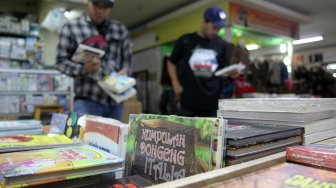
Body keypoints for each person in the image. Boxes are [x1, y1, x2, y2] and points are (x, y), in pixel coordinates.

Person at [56, 0, 132, 121]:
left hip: (115, 102)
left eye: (105, 7)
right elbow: (60, 62)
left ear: (111, 7)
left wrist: (124, 72)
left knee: (114, 139)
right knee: (82, 139)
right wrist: (83, 69)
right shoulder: (71, 27)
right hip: (87, 100)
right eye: (96, 4)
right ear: (88, 2)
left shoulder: (120, 30)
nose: (100, 10)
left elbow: (127, 61)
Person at [167, 6, 234, 117]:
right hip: (189, 102)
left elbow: (223, 71)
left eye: (219, 28)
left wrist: (232, 74)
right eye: (214, 27)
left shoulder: (222, 45)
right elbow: (171, 62)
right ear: (204, 21)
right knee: (187, 133)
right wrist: (175, 83)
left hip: (213, 103)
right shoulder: (186, 40)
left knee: (211, 134)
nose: (216, 31)